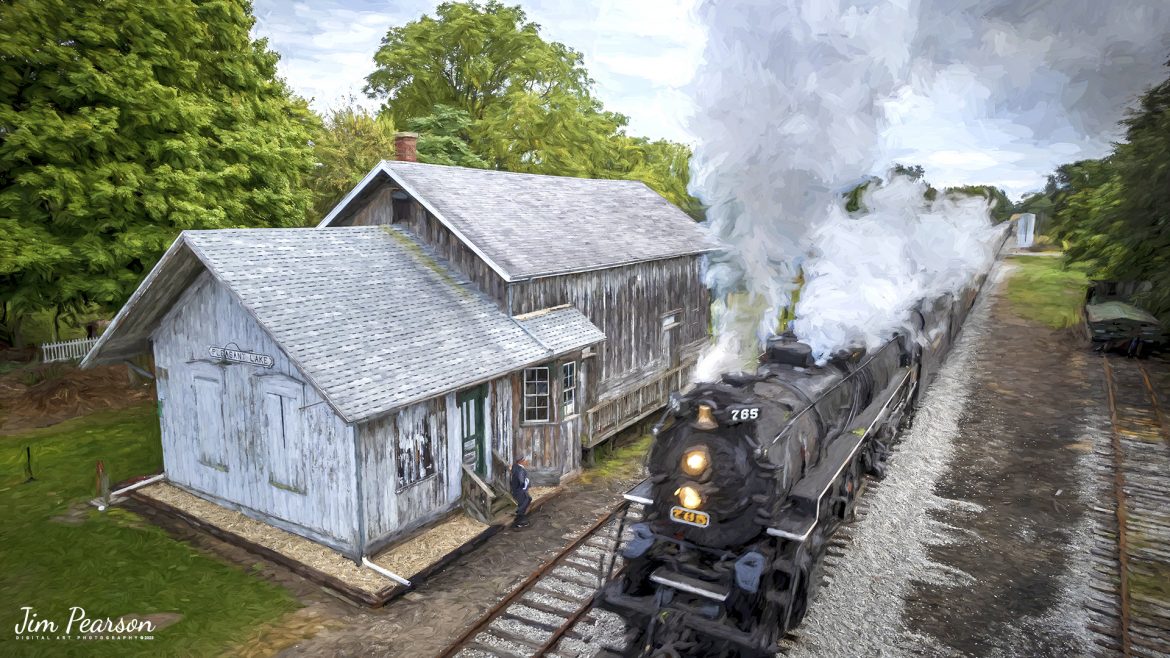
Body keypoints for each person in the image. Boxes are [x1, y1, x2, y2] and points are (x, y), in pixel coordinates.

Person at [510, 454, 531, 529]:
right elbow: (521, 481)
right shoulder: (520, 470)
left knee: (528, 499)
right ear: (521, 461)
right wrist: (526, 483)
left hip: (517, 490)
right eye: (525, 460)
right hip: (520, 491)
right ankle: (519, 522)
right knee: (524, 502)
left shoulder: (515, 467)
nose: (526, 461)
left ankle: (519, 517)